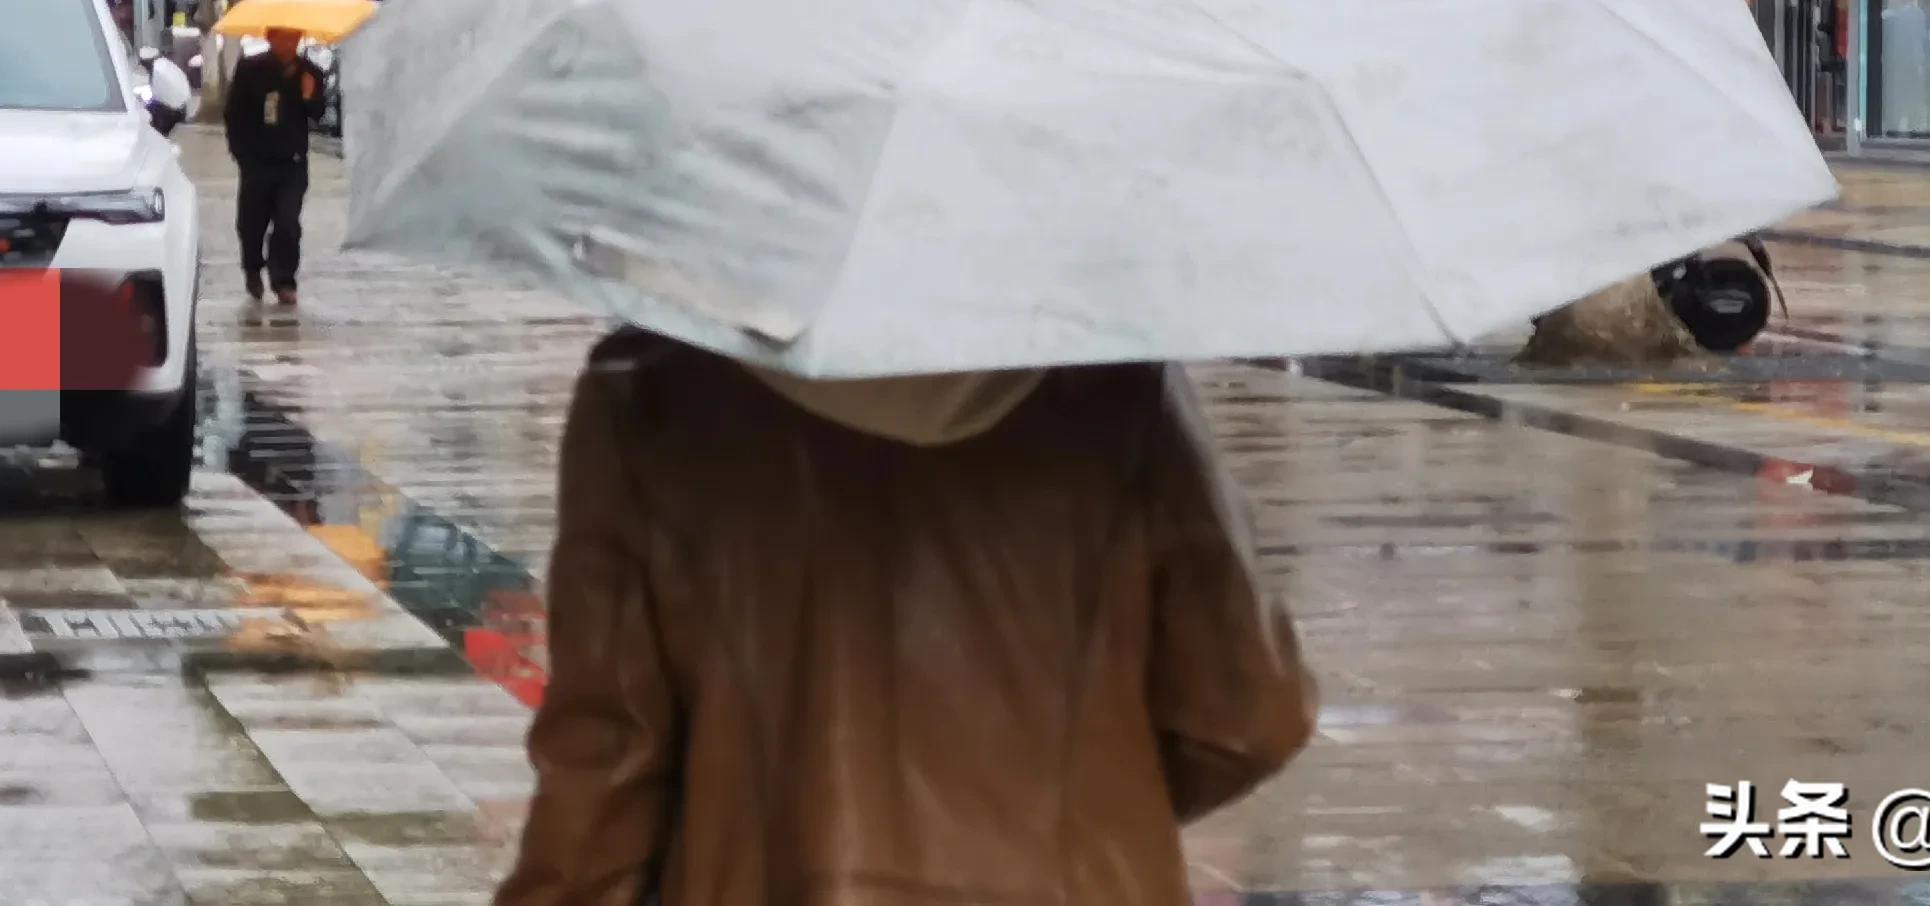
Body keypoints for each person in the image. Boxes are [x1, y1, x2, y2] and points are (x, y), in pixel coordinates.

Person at [497, 329, 1317, 906]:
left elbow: (606, 770)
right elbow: (1250, 715)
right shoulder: (1116, 387)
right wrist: (1067, 802)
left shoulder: (652, 395)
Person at [224, 27, 323, 305]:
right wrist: (241, 153)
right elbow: (233, 114)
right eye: (284, 38)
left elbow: (318, 113)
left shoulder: (309, 72)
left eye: (295, 38)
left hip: (292, 163)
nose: (289, 44)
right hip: (257, 161)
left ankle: (284, 280)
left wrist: (309, 95)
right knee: (252, 223)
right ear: (270, 39)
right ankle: (253, 268)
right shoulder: (251, 69)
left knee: (287, 222)